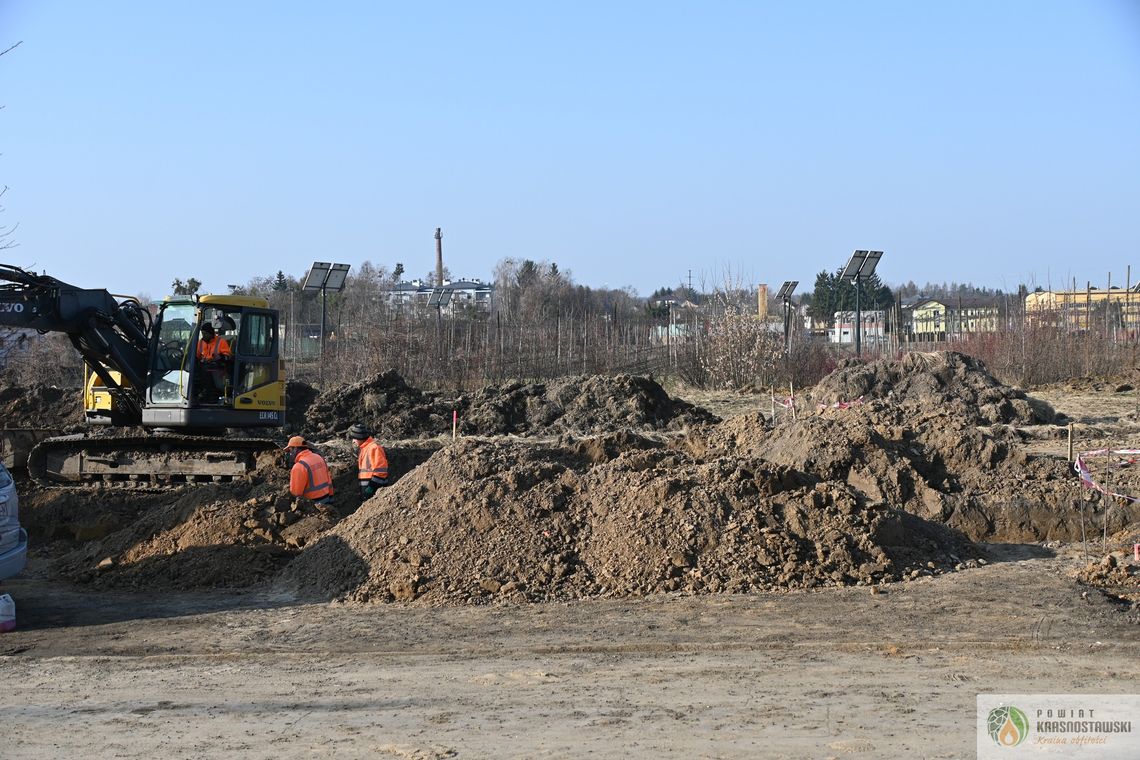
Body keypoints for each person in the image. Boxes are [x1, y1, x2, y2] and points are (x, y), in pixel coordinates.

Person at [284, 436, 334, 505]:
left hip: (312, 505)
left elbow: (296, 494)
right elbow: (329, 481)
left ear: (295, 449)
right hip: (326, 500)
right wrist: (330, 500)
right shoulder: (319, 458)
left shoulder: (299, 466)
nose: (290, 454)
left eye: (290, 450)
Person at [349, 423, 389, 496]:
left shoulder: (374, 448)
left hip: (375, 491)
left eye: (355, 438)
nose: (353, 441)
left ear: (360, 437)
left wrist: (371, 487)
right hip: (368, 490)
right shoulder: (365, 449)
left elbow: (380, 471)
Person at [196, 322, 233, 401]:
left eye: (205, 334)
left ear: (211, 333)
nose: (203, 336)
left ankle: (209, 393)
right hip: (205, 365)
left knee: (205, 370)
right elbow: (197, 356)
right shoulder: (201, 342)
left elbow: (227, 355)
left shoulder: (220, 341)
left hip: (217, 367)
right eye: (202, 333)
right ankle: (199, 392)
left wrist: (219, 358)